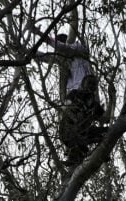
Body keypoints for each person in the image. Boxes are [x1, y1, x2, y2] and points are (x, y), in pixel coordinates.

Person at [31, 29, 107, 165]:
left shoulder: (78, 48)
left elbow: (62, 48)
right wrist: (26, 51)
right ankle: (78, 155)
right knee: (73, 129)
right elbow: (45, 57)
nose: (59, 54)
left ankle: (96, 144)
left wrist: (41, 36)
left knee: (73, 124)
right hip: (75, 99)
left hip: (85, 95)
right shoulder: (63, 60)